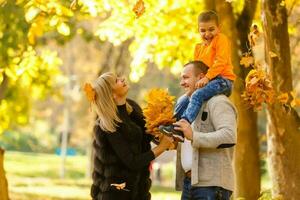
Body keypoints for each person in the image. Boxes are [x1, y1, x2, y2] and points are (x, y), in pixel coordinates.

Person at [85, 72, 174, 200]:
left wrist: (161, 129)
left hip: (138, 190)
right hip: (115, 193)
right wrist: (161, 148)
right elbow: (132, 161)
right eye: (116, 81)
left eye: (119, 77)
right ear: (112, 94)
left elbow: (147, 133)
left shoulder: (132, 107)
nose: (122, 79)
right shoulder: (108, 124)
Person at [159, 10, 236, 142]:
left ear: (219, 28)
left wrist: (207, 78)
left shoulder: (221, 39)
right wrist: (194, 84)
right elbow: (197, 69)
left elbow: (221, 62)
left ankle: (184, 125)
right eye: (203, 30)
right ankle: (172, 126)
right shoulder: (198, 48)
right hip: (207, 82)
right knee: (184, 99)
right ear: (198, 30)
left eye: (211, 29)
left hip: (223, 80)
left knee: (197, 95)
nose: (207, 34)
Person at [173, 61, 237, 200]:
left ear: (201, 77)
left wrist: (194, 136)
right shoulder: (188, 106)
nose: (181, 83)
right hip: (189, 183)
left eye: (185, 77)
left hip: (211, 186)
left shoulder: (219, 102)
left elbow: (229, 135)